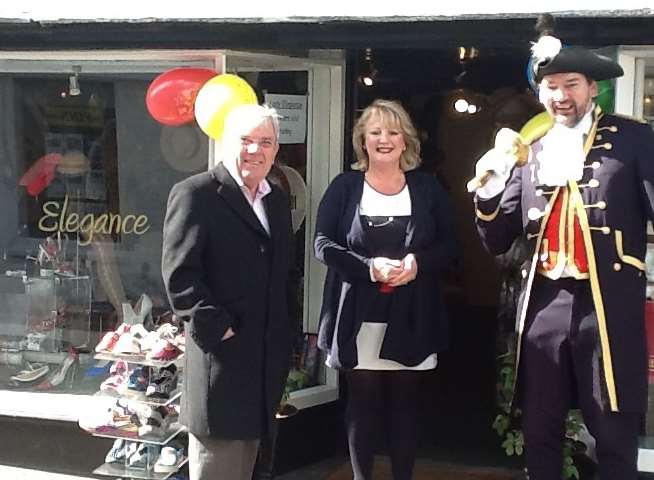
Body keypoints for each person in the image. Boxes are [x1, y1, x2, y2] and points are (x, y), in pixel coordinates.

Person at [473, 17, 654, 480]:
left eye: (571, 84)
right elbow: (497, 237)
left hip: (607, 304)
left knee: (612, 431)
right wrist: (489, 189)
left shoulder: (632, 139)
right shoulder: (530, 152)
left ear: (592, 87)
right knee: (541, 428)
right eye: (551, 86)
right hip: (546, 304)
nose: (561, 96)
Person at [314, 99, 457, 480]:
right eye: (375, 131)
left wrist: (417, 264)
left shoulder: (426, 188)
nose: (384, 139)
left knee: (406, 405)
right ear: (362, 139)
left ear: (406, 139)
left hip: (411, 316)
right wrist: (369, 268)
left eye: (393, 131)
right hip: (357, 316)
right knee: (362, 404)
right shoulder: (345, 187)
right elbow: (323, 244)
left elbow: (450, 245)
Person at [162, 104, 296, 480]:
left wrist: (286, 334)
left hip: (265, 368)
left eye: (265, 142)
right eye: (246, 141)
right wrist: (220, 330)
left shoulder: (277, 200)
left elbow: (285, 273)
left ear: (275, 150)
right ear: (225, 143)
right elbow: (180, 277)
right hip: (221, 367)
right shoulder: (196, 194)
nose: (255, 151)